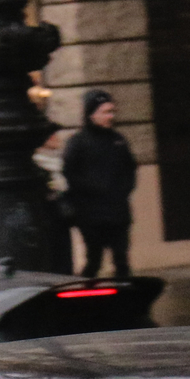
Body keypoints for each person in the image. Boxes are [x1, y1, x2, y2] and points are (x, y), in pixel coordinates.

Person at [60, 88, 136, 278]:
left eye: (112, 111)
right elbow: (69, 173)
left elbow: (130, 169)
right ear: (91, 114)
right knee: (94, 261)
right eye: (105, 112)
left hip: (118, 212)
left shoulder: (118, 140)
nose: (110, 116)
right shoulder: (78, 142)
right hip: (91, 215)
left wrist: (122, 190)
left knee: (121, 261)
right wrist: (93, 190)